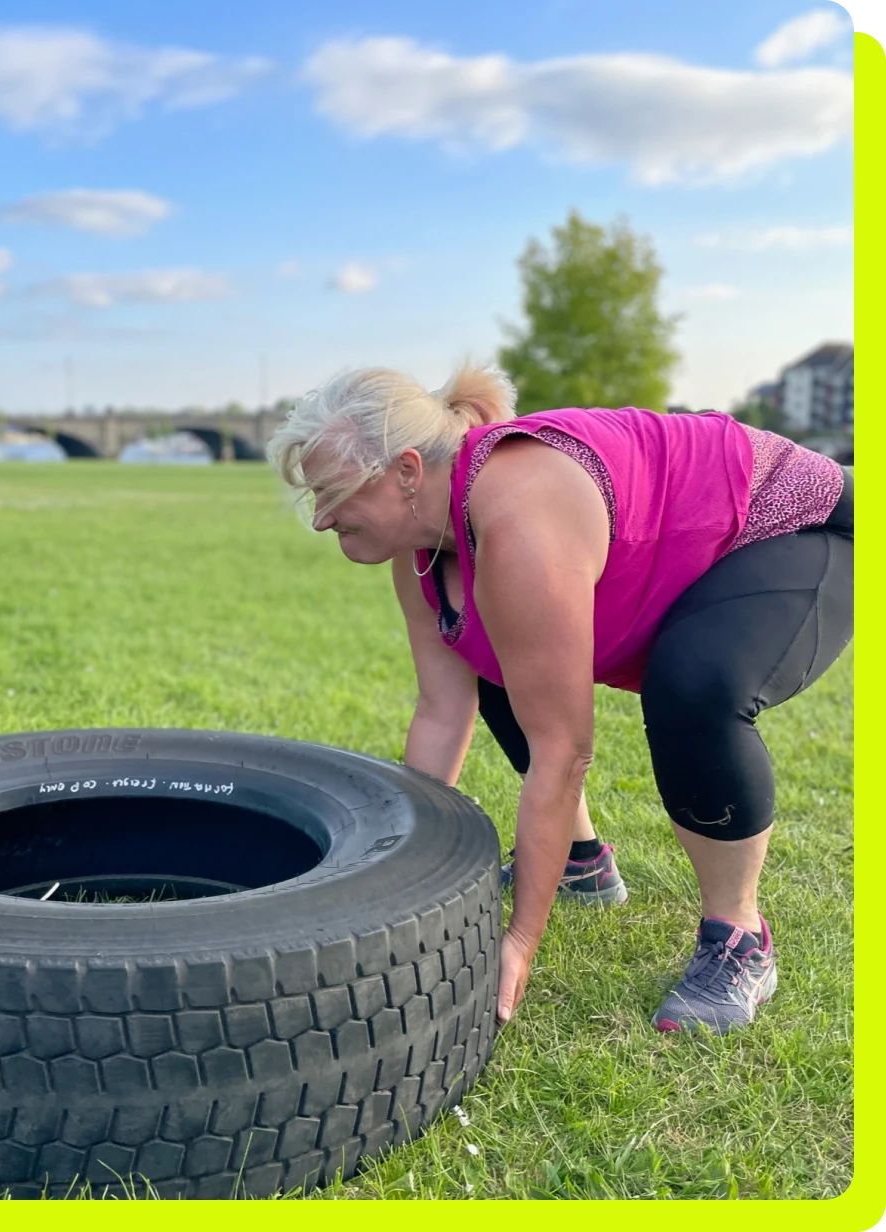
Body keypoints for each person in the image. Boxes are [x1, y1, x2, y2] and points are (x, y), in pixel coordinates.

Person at [265, 364, 853, 1034]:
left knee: (694, 684)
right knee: (490, 650)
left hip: (796, 527)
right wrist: (392, 876)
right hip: (678, 557)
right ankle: (581, 864)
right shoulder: (423, 547)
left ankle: (739, 936)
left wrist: (518, 941)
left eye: (335, 493)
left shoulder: (520, 515)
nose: (321, 518)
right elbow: (441, 711)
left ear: (406, 472)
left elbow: (563, 751)